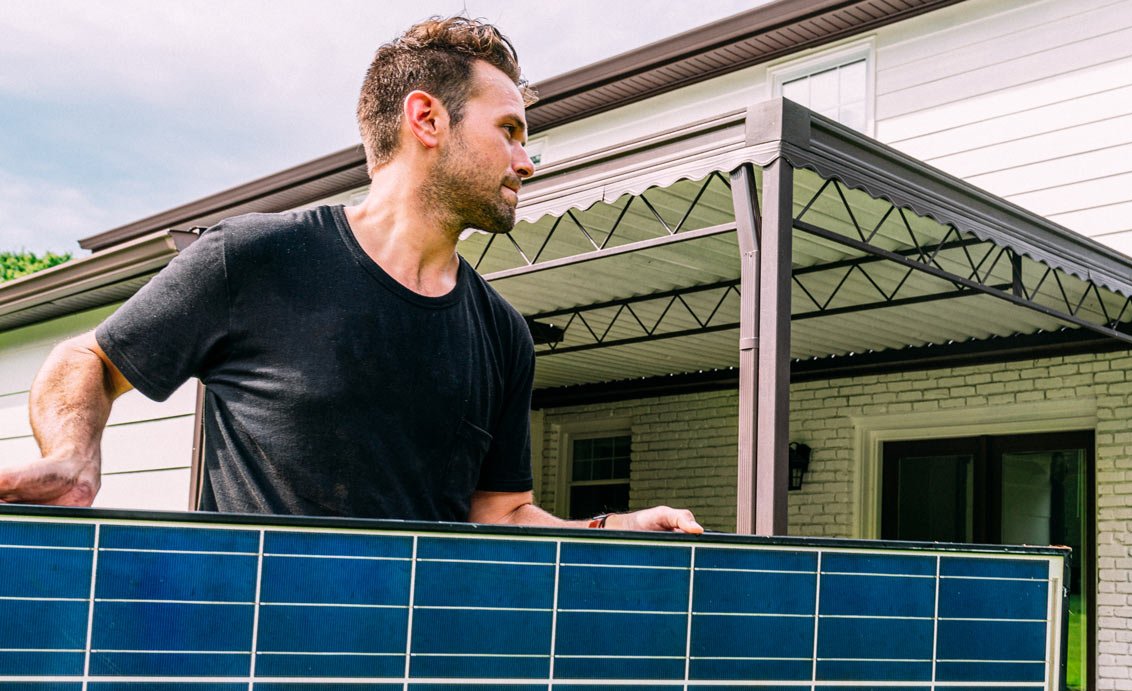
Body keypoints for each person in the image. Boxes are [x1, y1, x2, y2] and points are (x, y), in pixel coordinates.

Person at [0, 17, 701, 534]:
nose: (528, 161)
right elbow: (85, 358)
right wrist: (74, 454)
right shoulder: (253, 259)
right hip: (250, 674)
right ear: (427, 118)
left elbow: (501, 516)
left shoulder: (503, 335)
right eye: (511, 131)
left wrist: (612, 531)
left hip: (407, 684)